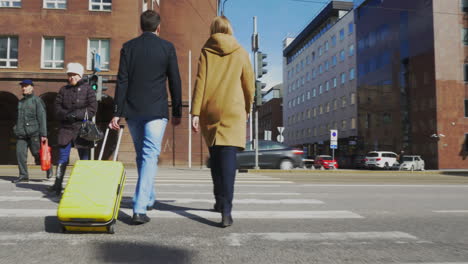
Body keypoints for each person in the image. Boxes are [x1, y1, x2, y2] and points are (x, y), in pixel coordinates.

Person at [109, 10, 182, 225]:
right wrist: (177, 110)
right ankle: (139, 208)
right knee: (149, 155)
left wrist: (117, 111)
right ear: (158, 27)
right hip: (156, 110)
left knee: (143, 155)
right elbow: (175, 80)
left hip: (133, 110)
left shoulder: (129, 47)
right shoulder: (167, 47)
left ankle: (148, 197)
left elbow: (122, 81)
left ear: (141, 27)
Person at [191, 16, 255, 227]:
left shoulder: (206, 50)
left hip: (210, 108)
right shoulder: (241, 51)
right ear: (229, 29)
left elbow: (200, 81)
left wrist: (195, 113)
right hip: (233, 109)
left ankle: (219, 201)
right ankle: (226, 210)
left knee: (215, 159)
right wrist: (248, 106)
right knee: (228, 161)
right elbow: (249, 84)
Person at [48, 62, 97, 195]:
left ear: (80, 75)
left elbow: (92, 108)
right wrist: (66, 115)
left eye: (74, 75)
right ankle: (57, 184)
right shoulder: (63, 90)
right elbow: (56, 108)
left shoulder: (88, 89)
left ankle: (85, 185)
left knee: (84, 160)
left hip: (82, 130)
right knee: (62, 158)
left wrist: (77, 114)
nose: (71, 77)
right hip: (66, 129)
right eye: (69, 75)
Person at [12, 79, 53, 183]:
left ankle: (49, 167)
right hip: (21, 134)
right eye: (22, 86)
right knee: (20, 154)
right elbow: (17, 117)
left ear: (32, 87)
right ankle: (23, 175)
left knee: (37, 154)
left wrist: (43, 134)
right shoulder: (20, 102)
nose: (23, 88)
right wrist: (15, 128)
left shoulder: (37, 100)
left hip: (34, 133)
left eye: (26, 86)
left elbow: (42, 117)